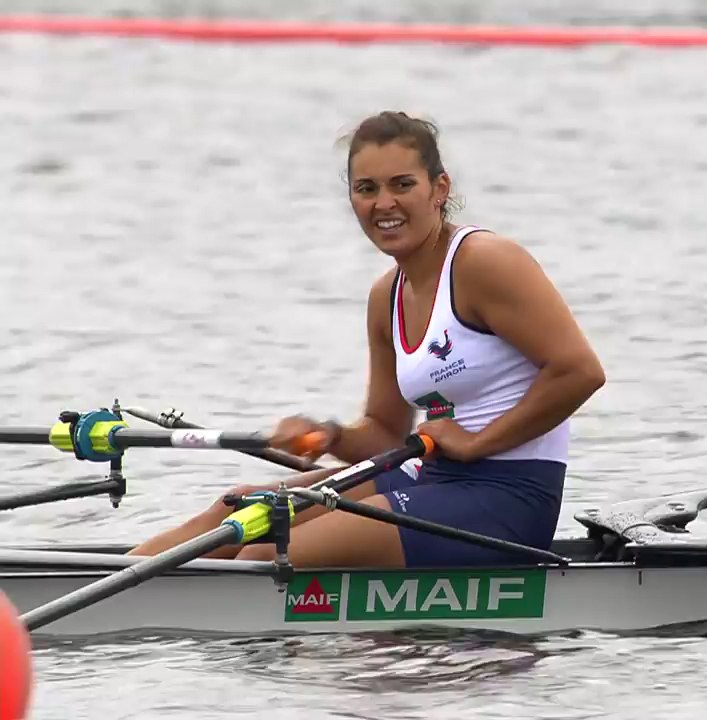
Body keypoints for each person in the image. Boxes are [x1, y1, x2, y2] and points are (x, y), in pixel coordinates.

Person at [129, 110, 606, 568]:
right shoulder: (386, 296)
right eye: (367, 189)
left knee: (266, 552)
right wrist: (329, 435)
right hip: (430, 477)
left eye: (403, 184)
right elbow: (385, 432)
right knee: (239, 510)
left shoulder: (484, 262)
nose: (384, 204)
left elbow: (580, 372)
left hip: (509, 498)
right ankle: (94, 582)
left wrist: (477, 443)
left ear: (440, 188)